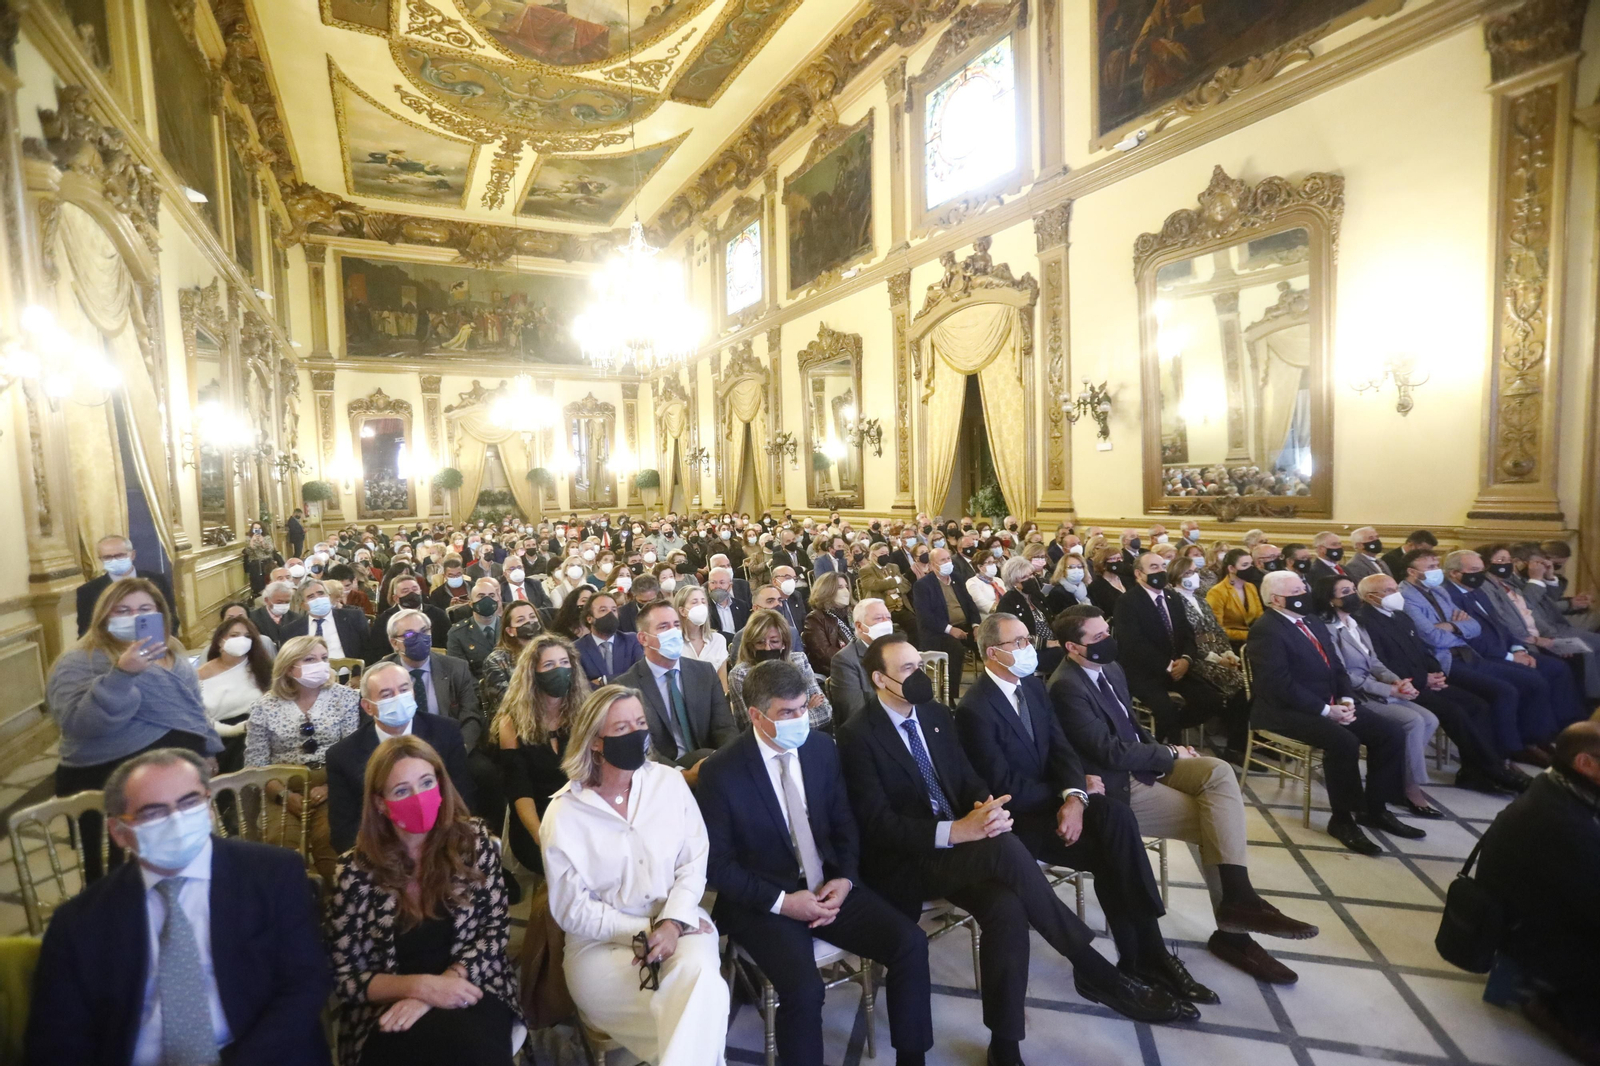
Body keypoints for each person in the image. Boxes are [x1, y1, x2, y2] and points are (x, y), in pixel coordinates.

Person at [836, 633, 1186, 1064]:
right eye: (908, 670)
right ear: (879, 679)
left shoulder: (934, 714)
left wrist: (988, 808)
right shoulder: (857, 734)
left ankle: (1005, 1045)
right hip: (909, 860)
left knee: (1006, 908)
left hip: (962, 849)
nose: (919, 677)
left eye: (920, 666)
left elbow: (966, 778)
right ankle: (1093, 968)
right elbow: (877, 825)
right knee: (1003, 849)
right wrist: (957, 831)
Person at [1050, 605, 1317, 984]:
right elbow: (1108, 750)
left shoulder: (1110, 667)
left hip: (1145, 762)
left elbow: (1130, 724)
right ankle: (1234, 933)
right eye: (1096, 639)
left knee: (1218, 772)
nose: (1107, 641)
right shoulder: (1065, 685)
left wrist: (1164, 751)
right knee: (1215, 822)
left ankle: (1238, 900)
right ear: (1073, 648)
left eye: (1106, 632)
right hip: (1116, 782)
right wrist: (1170, 753)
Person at [958, 613, 1215, 1005]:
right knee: (1114, 854)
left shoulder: (1032, 686)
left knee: (1117, 817)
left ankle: (1146, 954)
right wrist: (1063, 798)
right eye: (1020, 643)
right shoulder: (975, 708)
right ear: (994, 653)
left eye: (1029, 639)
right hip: (1022, 823)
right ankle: (1144, 957)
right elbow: (1004, 788)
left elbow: (1062, 749)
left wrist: (1075, 797)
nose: (1031, 649)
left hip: (1057, 804)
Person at [25, 748, 332, 1064]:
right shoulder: (79, 923)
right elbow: (56, 1040)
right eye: (153, 812)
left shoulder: (272, 875)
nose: (176, 820)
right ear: (119, 832)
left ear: (210, 808)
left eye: (189, 803)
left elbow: (306, 982)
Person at [699, 660, 934, 1066]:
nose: (799, 720)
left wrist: (845, 878)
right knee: (805, 991)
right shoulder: (722, 771)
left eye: (803, 708)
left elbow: (844, 824)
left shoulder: (822, 749)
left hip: (828, 885)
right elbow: (717, 865)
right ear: (756, 715)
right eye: (786, 713)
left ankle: (911, 1058)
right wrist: (783, 902)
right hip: (765, 900)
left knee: (909, 943)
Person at [540, 686, 730, 1065]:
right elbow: (572, 909)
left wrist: (672, 922)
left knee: (699, 981)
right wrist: (644, 928)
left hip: (680, 921)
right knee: (701, 1008)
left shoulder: (669, 783)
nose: (636, 734)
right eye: (622, 727)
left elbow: (694, 860)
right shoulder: (564, 814)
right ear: (596, 740)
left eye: (640, 724)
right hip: (600, 948)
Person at [327, 735, 523, 1066]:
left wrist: (444, 986)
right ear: (380, 803)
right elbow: (346, 976)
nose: (418, 797)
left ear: (441, 785)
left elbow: (494, 936)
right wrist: (422, 988)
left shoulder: (474, 846)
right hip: (390, 1003)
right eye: (401, 790)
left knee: (472, 1051)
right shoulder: (354, 871)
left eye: (426, 782)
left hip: (471, 983)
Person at [48, 577, 221, 880]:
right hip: (108, 781)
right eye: (122, 610)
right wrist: (122, 675)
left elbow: (193, 709)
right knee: (118, 874)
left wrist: (206, 748)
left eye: (145, 609)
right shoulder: (79, 660)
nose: (135, 616)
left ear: (160, 615)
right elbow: (79, 724)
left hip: (178, 781)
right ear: (104, 616)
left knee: (183, 859)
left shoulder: (174, 653)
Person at [1246, 571, 1416, 855]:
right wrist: (1327, 710)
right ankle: (1342, 819)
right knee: (1343, 742)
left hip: (1331, 702)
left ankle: (1374, 808)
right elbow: (1277, 684)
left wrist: (1347, 699)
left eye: (1304, 587)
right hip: (1284, 710)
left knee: (1390, 733)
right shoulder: (1267, 629)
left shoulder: (1311, 620)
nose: (1305, 593)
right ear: (1277, 600)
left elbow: (1336, 665)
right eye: (1297, 590)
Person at [1475, 722, 1600, 1061]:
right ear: (1585, 764)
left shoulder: (1557, 785)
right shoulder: (1564, 822)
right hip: (1527, 935)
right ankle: (1559, 1015)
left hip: (1534, 908)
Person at [1353, 573, 1531, 794]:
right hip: (1402, 686)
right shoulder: (1364, 621)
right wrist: (1422, 679)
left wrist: (1435, 672)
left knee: (1478, 705)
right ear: (1371, 597)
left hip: (1424, 679)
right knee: (1454, 711)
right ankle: (1494, 771)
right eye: (1389, 591)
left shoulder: (1400, 616)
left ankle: (1474, 772)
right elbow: (1381, 664)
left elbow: (1420, 650)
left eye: (1395, 589)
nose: (1396, 594)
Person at [1399, 549, 1559, 765]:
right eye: (1430, 568)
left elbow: (1474, 626)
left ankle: (1533, 740)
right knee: (1505, 691)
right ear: (1411, 571)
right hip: (1444, 662)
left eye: (1437, 565)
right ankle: (1507, 751)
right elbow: (1431, 637)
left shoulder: (1438, 591)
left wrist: (1450, 627)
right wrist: (1458, 627)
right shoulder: (1406, 597)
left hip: (1468, 655)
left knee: (1530, 680)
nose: (1437, 571)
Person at [1315, 575, 1444, 817]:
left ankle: (1399, 778)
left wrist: (1396, 680)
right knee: (1412, 720)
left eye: (1353, 589)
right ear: (1331, 600)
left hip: (1375, 686)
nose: (1353, 595)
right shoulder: (1328, 629)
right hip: (1353, 695)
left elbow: (1374, 662)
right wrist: (1388, 690)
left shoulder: (1355, 624)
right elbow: (1342, 674)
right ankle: (1409, 787)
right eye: (1345, 592)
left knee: (1430, 719)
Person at [243, 635, 362, 882]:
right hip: (280, 785)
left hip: (332, 782)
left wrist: (330, 786)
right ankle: (294, 906)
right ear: (289, 667)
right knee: (281, 847)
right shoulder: (264, 707)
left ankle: (334, 906)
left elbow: (354, 752)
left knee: (330, 842)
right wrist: (283, 795)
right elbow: (255, 764)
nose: (320, 664)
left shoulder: (346, 698)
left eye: (324, 658)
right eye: (310, 659)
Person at [327, 662, 474, 855]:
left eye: (404, 689)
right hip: (380, 857)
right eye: (387, 695)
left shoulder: (446, 732)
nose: (399, 698)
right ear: (368, 707)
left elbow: (462, 799)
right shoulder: (343, 756)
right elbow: (344, 832)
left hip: (443, 846)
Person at [1115, 552, 1245, 755]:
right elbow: (1133, 644)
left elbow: (1187, 634)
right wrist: (1168, 665)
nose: (1161, 571)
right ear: (1140, 574)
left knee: (1211, 700)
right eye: (1154, 567)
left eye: (1163, 566)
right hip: (1146, 672)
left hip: (1180, 667)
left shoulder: (1172, 597)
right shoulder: (1128, 601)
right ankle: (1165, 750)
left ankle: (1169, 735)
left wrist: (1186, 659)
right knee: (1165, 708)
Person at [1442, 550, 1583, 730]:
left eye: (1481, 569)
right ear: (1454, 573)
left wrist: (1518, 648)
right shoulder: (1449, 596)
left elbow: (1500, 624)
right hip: (1483, 655)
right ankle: (1532, 738)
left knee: (1557, 668)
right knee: (1533, 680)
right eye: (1475, 569)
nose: (1480, 574)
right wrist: (1510, 656)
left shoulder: (1476, 591)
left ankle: (1566, 727)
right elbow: (1471, 638)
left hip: (1507, 647)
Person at [494, 634, 590, 873]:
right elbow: (519, 789)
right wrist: (541, 835)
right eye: (549, 665)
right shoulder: (511, 722)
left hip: (582, 808)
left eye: (564, 663)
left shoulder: (586, 712)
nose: (559, 670)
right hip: (536, 814)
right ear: (532, 673)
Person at [614, 600, 738, 783]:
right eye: (663, 627)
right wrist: (681, 775)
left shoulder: (704, 672)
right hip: (660, 776)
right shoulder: (626, 686)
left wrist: (726, 761)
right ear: (643, 638)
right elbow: (641, 748)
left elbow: (724, 727)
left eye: (676, 625)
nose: (673, 632)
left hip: (712, 765)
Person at [198, 615, 272, 773]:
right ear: (220, 641)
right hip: (218, 737)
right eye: (234, 635)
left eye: (247, 636)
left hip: (257, 731)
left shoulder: (263, 670)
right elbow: (199, 718)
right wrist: (233, 730)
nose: (242, 640)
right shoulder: (199, 674)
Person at [75, 535, 178, 638]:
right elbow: (86, 631)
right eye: (107, 557)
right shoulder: (87, 591)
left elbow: (170, 617)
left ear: (132, 555)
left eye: (120, 555)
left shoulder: (157, 580)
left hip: (154, 643)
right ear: (100, 559)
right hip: (111, 648)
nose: (114, 560)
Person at [910, 547, 980, 696]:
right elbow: (925, 616)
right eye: (943, 560)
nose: (948, 562)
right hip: (938, 632)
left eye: (949, 558)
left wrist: (976, 626)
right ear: (932, 565)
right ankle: (951, 695)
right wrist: (950, 629)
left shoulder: (957, 577)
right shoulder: (923, 585)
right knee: (956, 650)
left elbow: (970, 603)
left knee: (989, 641)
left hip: (964, 626)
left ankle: (987, 690)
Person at [995, 556, 1064, 680]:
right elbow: (1012, 637)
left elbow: (1051, 620)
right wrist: (1048, 643)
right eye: (1024, 577)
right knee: (1062, 654)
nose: (1031, 579)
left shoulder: (1036, 596)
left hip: (1052, 644)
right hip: (1026, 650)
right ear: (1014, 582)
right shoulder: (1008, 602)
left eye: (1031, 574)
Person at [827, 598, 893, 724]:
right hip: (874, 730)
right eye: (879, 618)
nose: (886, 623)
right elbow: (855, 714)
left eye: (888, 618)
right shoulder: (845, 660)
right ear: (859, 626)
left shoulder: (899, 651)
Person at [278, 579, 370, 665]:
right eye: (311, 597)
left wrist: (358, 676)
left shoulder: (354, 617)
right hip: (309, 679)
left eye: (321, 593)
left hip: (348, 676)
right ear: (303, 605)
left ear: (328, 596)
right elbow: (289, 663)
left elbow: (368, 650)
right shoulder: (291, 631)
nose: (318, 598)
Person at [366, 575, 450, 663]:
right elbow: (376, 652)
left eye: (414, 589)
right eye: (405, 591)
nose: (411, 593)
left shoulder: (438, 615)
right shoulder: (385, 620)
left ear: (420, 592)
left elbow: (447, 645)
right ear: (396, 598)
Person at [479, 600, 542, 714]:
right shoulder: (496, 660)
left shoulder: (552, 651)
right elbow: (504, 703)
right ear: (510, 631)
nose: (529, 622)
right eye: (521, 620)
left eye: (532, 617)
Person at [573, 591, 644, 684]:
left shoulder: (631, 640)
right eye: (603, 610)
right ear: (589, 618)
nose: (610, 614)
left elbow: (640, 674)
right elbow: (581, 685)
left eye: (614, 610)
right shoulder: (577, 648)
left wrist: (603, 681)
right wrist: (625, 677)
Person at [446, 579, 504, 680]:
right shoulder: (458, 634)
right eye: (481, 596)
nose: (487, 600)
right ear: (471, 603)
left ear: (498, 601)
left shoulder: (510, 626)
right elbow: (460, 673)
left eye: (491, 596)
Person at [675, 583, 729, 687]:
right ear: (682, 611)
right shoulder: (673, 642)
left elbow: (722, 684)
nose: (701, 606)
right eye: (695, 602)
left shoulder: (718, 640)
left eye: (703, 602)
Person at [801, 571, 853, 678]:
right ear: (827, 591)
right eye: (840, 587)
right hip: (838, 671)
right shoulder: (815, 618)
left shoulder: (852, 614)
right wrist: (857, 661)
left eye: (846, 587)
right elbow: (825, 654)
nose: (846, 592)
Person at [1206, 549, 1263, 645]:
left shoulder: (1251, 587)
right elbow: (1216, 629)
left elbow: (1260, 616)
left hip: (1253, 639)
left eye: (1251, 564)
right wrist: (1248, 635)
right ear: (1231, 568)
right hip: (1229, 643)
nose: (1251, 568)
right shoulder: (1217, 592)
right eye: (1245, 565)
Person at [1087, 548, 1127, 614]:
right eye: (1114, 559)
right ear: (1103, 563)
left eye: (1120, 558)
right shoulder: (1096, 586)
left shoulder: (1127, 579)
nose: (1119, 561)